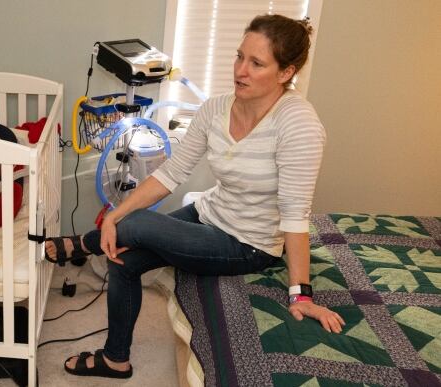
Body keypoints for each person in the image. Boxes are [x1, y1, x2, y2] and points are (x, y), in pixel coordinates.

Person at [44, 14, 346, 379]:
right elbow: (171, 173)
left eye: (256, 63)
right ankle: (115, 359)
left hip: (247, 243)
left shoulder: (298, 125)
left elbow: (296, 216)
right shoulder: (216, 109)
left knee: (134, 223)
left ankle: (81, 244)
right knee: (123, 260)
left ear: (286, 73)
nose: (240, 70)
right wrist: (112, 216)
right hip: (209, 213)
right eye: (239, 57)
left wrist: (301, 295)